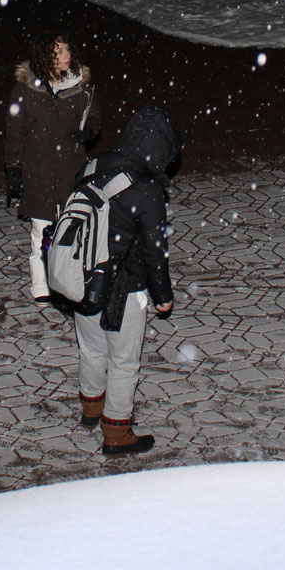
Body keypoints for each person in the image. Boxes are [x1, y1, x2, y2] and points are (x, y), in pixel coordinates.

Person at [67, 105, 181, 457]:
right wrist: (163, 295)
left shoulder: (94, 166)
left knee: (92, 349)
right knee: (123, 361)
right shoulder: (145, 188)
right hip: (122, 287)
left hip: (80, 279)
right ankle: (117, 431)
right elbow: (153, 251)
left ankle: (91, 407)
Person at [4, 31, 100, 301]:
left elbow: (94, 118)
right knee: (41, 231)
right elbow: (15, 132)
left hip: (72, 169)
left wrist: (89, 132)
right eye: (58, 51)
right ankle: (42, 286)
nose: (65, 56)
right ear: (44, 56)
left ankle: (70, 279)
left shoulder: (82, 87)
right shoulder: (26, 89)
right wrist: (14, 168)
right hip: (39, 171)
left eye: (67, 49)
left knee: (73, 228)